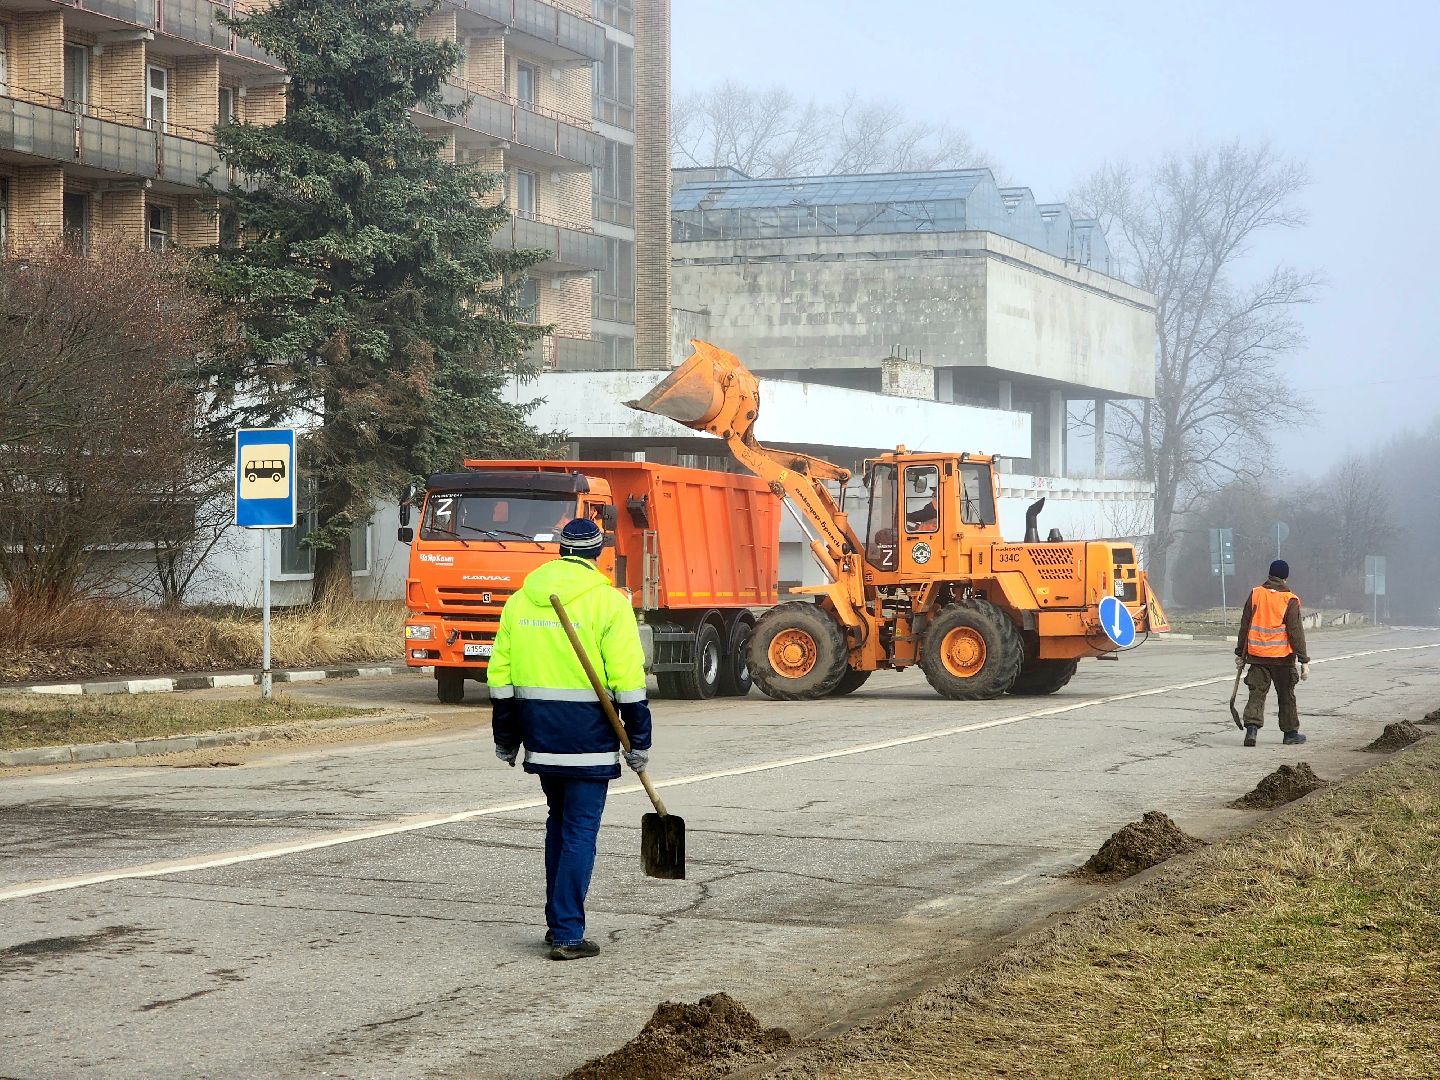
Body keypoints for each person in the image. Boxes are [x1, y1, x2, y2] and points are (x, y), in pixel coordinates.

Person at [488, 518, 652, 961]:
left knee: (558, 827)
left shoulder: (521, 601)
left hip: (540, 735)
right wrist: (640, 741)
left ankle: (556, 921)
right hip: (590, 737)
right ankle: (567, 933)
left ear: (559, 551)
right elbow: (628, 682)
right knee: (579, 831)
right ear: (599, 553)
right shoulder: (608, 603)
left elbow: (500, 678)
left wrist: (506, 737)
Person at [1234, 559, 1311, 747]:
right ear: (1286, 577)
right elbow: (1295, 631)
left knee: (1256, 694)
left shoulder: (1256, 594)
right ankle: (1290, 733)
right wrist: (1304, 660)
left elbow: (1245, 625)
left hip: (1257, 656)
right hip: (1282, 659)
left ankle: (1251, 730)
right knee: (1286, 695)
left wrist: (1240, 653)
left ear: (1269, 575)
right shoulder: (1290, 599)